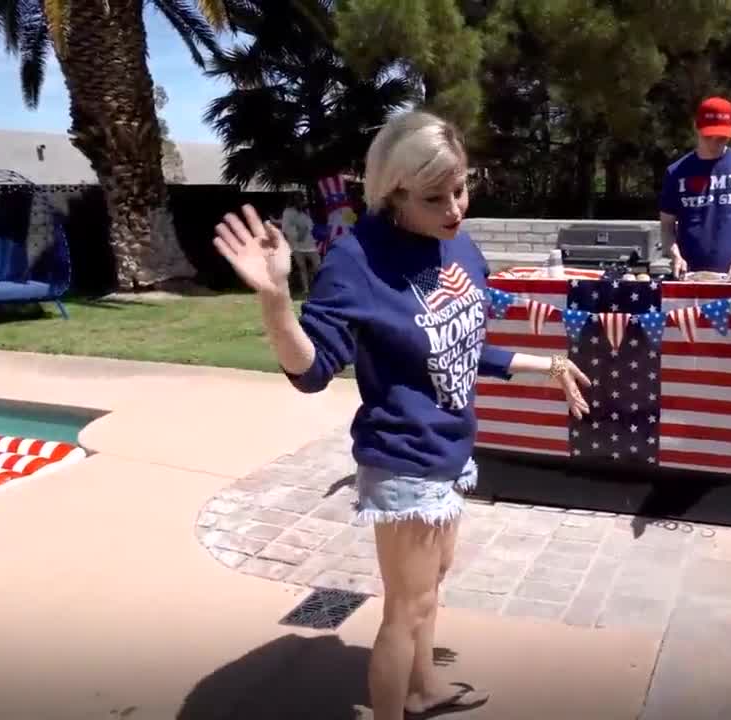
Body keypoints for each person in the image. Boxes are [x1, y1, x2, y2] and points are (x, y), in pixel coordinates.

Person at [212, 111, 592, 720]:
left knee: (431, 585)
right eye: (434, 198)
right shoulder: (358, 260)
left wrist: (543, 365)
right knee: (404, 610)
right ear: (393, 193)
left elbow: (461, 344)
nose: (455, 209)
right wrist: (277, 301)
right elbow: (311, 371)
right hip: (404, 458)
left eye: (460, 189)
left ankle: (423, 688)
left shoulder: (456, 245)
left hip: (450, 449)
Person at [658, 96, 731, 281]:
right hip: (687, 276)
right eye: (708, 136)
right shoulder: (676, 172)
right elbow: (667, 225)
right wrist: (675, 256)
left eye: (721, 138)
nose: (714, 143)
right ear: (696, 127)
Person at [280, 193, 320, 294]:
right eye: (302, 200)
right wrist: (298, 234)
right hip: (297, 245)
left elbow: (310, 225)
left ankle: (318, 286)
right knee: (302, 268)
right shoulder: (288, 212)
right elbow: (286, 227)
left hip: (310, 244)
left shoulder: (306, 212)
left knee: (318, 266)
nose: (303, 202)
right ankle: (306, 289)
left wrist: (305, 229)